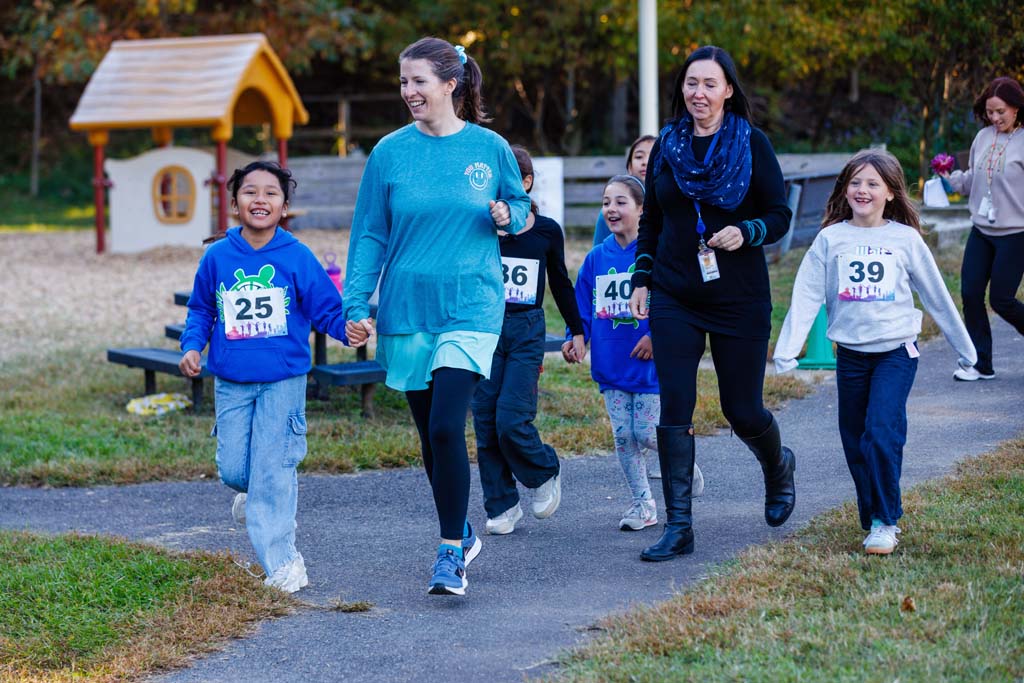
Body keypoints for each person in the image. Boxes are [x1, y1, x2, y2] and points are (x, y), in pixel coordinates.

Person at [343, 37, 530, 596]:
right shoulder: (389, 153)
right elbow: (369, 233)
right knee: (431, 438)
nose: (409, 92)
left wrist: (506, 212)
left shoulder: (489, 147)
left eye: (418, 81)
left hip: (472, 303)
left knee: (450, 424)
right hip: (407, 308)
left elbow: (521, 209)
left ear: (451, 83)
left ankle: (450, 552)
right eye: (403, 82)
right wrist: (357, 304)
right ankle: (462, 527)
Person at [627, 45, 795, 562]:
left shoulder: (752, 143)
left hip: (738, 298)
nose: (698, 93)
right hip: (676, 294)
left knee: (741, 409)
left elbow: (779, 214)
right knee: (674, 405)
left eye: (710, 84)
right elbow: (652, 220)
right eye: (691, 83)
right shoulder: (667, 147)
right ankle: (680, 527)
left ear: (727, 91)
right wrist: (642, 279)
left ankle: (778, 465)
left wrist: (746, 232)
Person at [774, 149, 976, 554]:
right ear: (845, 189)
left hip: (895, 353)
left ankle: (886, 521)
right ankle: (871, 517)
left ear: (889, 193)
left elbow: (937, 297)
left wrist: (966, 349)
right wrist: (788, 349)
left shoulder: (904, 239)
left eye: (872, 184)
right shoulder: (830, 239)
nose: (862, 190)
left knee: (882, 433)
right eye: (855, 182)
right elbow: (807, 293)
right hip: (850, 354)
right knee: (855, 439)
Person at [178, 161, 350, 592]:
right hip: (232, 380)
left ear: (285, 206)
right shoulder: (217, 256)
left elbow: (326, 308)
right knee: (235, 469)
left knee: (272, 469)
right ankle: (252, 493)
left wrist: (347, 329)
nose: (260, 199)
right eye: (249, 192)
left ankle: (285, 563)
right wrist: (192, 347)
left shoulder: (296, 255)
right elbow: (201, 309)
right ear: (235, 203)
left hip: (283, 380)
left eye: (270, 193)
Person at [564, 175, 704, 531]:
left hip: (650, 366)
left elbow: (679, 302)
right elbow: (582, 307)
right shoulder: (596, 259)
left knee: (645, 433)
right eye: (606, 201)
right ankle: (643, 505)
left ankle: (681, 461)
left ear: (643, 210)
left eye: (621, 202)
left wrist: (657, 336)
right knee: (623, 436)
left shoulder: (657, 254)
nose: (611, 209)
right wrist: (576, 337)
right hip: (611, 365)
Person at [471, 145, 584, 535]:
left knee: (511, 418)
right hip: (483, 329)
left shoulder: (547, 231)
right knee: (485, 421)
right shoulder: (481, 229)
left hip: (525, 329)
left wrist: (578, 329)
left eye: (511, 183)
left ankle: (544, 470)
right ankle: (502, 504)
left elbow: (561, 283)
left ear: (527, 183)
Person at [942, 76, 1024, 381]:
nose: (995, 118)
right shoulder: (982, 137)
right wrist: (953, 179)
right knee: (971, 293)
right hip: (981, 230)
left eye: (1001, 111)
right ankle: (981, 363)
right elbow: (974, 179)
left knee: (1001, 300)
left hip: (1016, 234)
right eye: (990, 112)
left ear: (1016, 108)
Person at [593, 135, 657, 246]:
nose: (645, 162)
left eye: (653, 156)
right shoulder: (610, 213)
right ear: (629, 167)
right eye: (639, 156)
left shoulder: (674, 207)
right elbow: (599, 256)